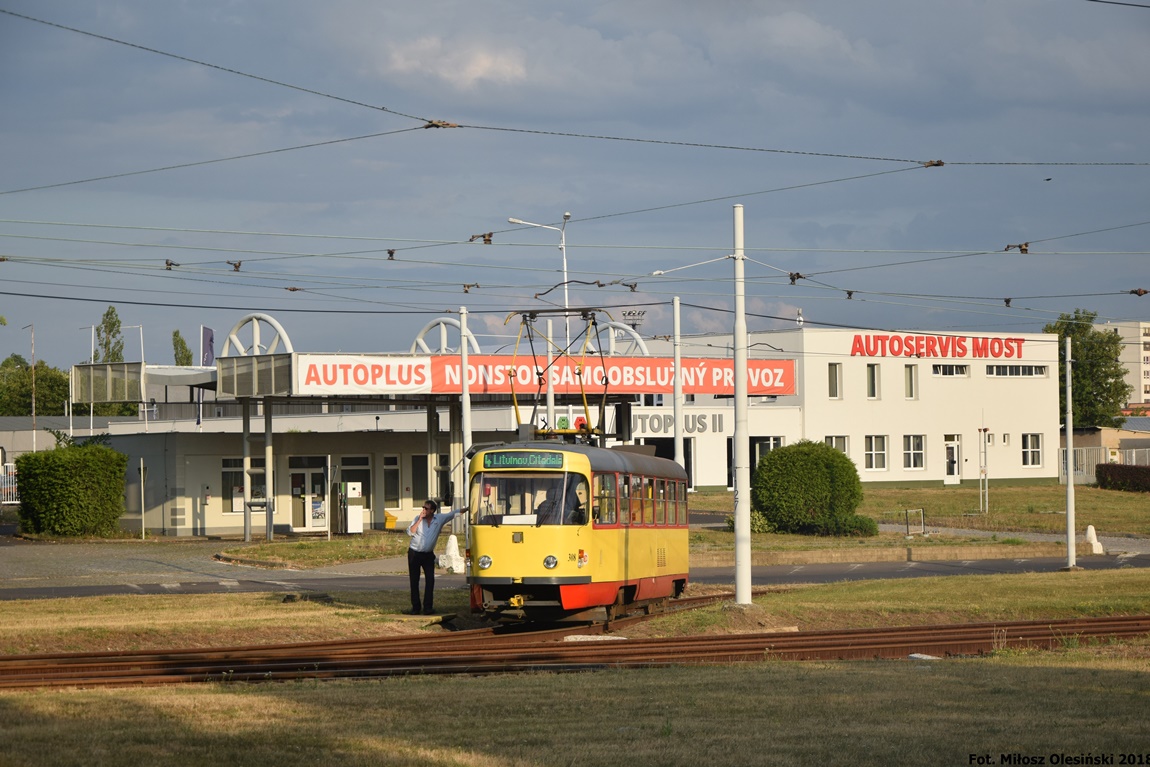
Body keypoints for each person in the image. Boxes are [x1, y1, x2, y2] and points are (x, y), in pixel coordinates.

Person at [406, 499, 464, 615]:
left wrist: (467, 509)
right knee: (414, 580)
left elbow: (453, 514)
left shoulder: (439, 519)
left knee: (430, 580)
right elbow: (410, 532)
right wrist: (420, 520)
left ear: (432, 510)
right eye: (423, 508)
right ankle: (415, 607)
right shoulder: (418, 519)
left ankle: (428, 607)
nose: (423, 510)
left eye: (426, 508)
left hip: (428, 555)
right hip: (414, 553)